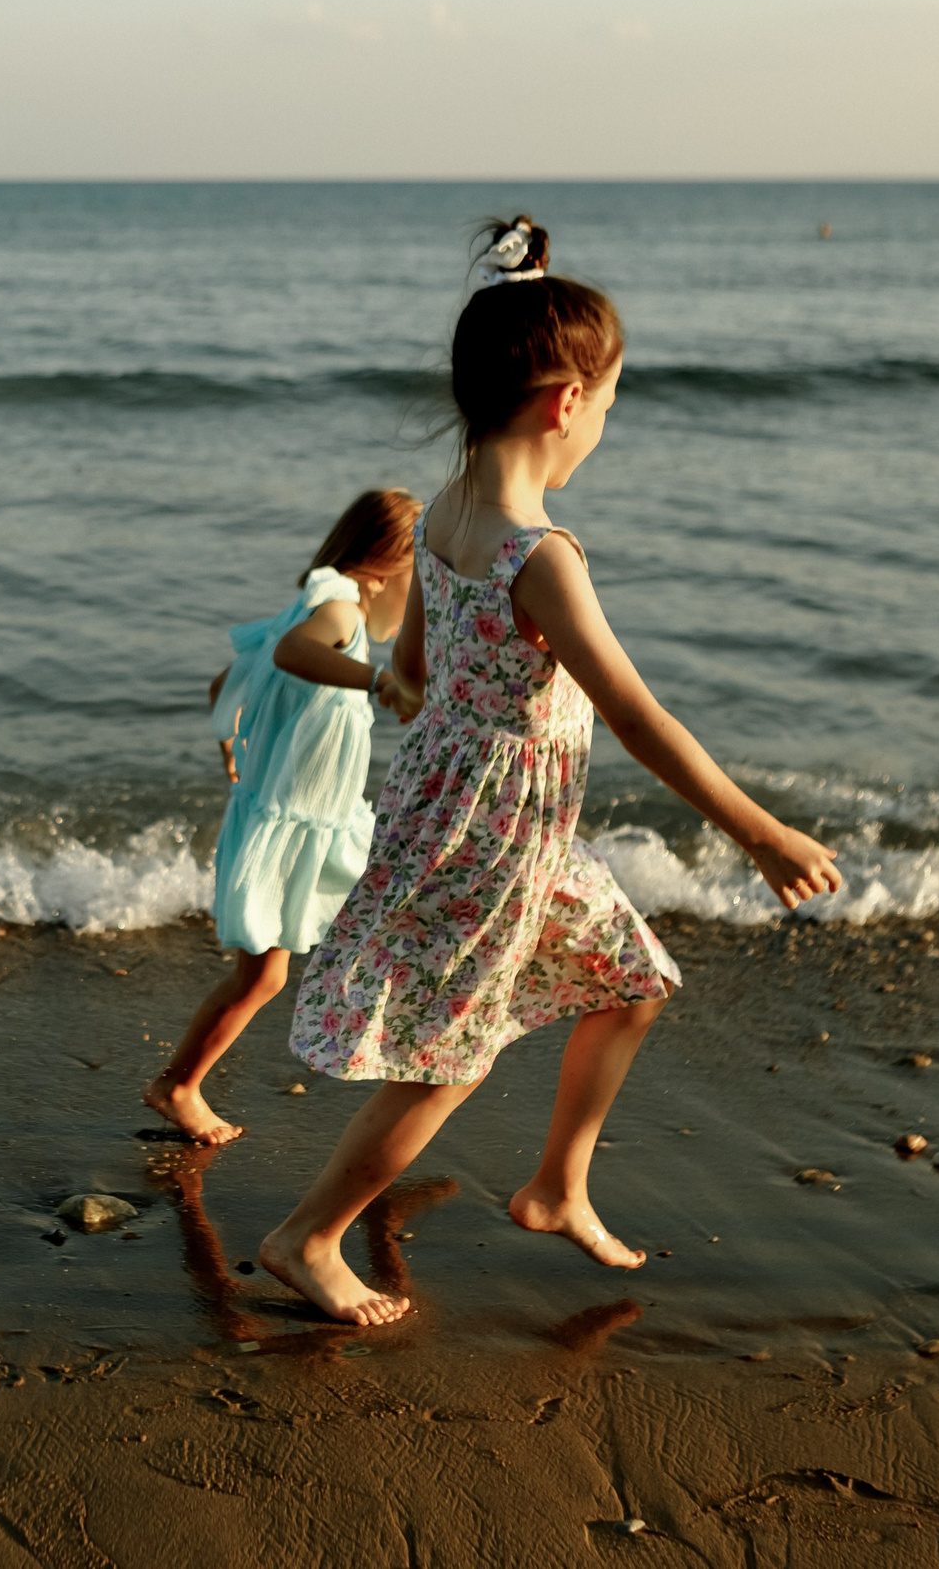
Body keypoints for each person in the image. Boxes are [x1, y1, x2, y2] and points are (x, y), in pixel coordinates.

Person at [259, 218, 844, 1326]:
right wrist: (761, 832)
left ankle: (557, 1187)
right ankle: (308, 1236)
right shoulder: (541, 558)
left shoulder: (444, 511)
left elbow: (413, 663)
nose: (605, 423)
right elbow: (637, 715)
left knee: (631, 983)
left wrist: (425, 697)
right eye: (610, 402)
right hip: (496, 836)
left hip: (475, 813)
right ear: (566, 402)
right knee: (449, 1057)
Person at [144, 489, 425, 1146]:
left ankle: (400, 1047)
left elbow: (228, 678)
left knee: (377, 925)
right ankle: (177, 1086)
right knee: (264, 975)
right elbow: (290, 653)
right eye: (418, 585)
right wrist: (379, 681)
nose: (420, 606)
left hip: (313, 820)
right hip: (292, 824)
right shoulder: (338, 610)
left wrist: (229, 738)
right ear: (382, 569)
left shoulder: (320, 603)